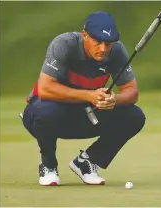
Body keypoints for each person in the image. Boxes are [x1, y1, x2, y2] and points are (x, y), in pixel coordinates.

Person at [21, 11, 146, 186]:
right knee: (46, 110)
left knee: (135, 116)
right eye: (97, 41)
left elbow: (132, 92)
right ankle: (48, 166)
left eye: (108, 44)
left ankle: (87, 162)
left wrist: (114, 99)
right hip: (44, 116)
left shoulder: (116, 50)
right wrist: (90, 95)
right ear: (84, 35)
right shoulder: (64, 44)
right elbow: (45, 88)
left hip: (86, 115)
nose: (103, 49)